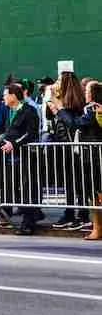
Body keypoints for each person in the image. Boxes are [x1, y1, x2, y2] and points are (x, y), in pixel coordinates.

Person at [0, 83, 42, 235]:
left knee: (28, 188)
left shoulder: (29, 111)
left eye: (6, 94)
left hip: (27, 156)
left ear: (14, 96)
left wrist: (15, 144)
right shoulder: (9, 112)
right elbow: (7, 133)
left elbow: (31, 133)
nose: (4, 98)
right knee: (15, 187)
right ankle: (29, 216)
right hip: (12, 159)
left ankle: (28, 223)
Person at [46, 72, 89, 230]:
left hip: (75, 148)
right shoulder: (60, 103)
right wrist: (52, 104)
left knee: (79, 183)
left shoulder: (76, 104)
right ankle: (70, 213)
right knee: (69, 182)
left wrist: (60, 109)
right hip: (63, 147)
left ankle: (82, 215)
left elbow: (72, 124)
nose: (55, 85)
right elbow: (51, 119)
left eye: (59, 82)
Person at [78, 81, 102, 240]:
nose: (84, 92)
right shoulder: (91, 108)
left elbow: (78, 123)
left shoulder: (92, 109)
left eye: (87, 90)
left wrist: (59, 110)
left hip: (95, 155)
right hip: (91, 155)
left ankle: (97, 229)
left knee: (97, 193)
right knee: (94, 194)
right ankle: (97, 228)